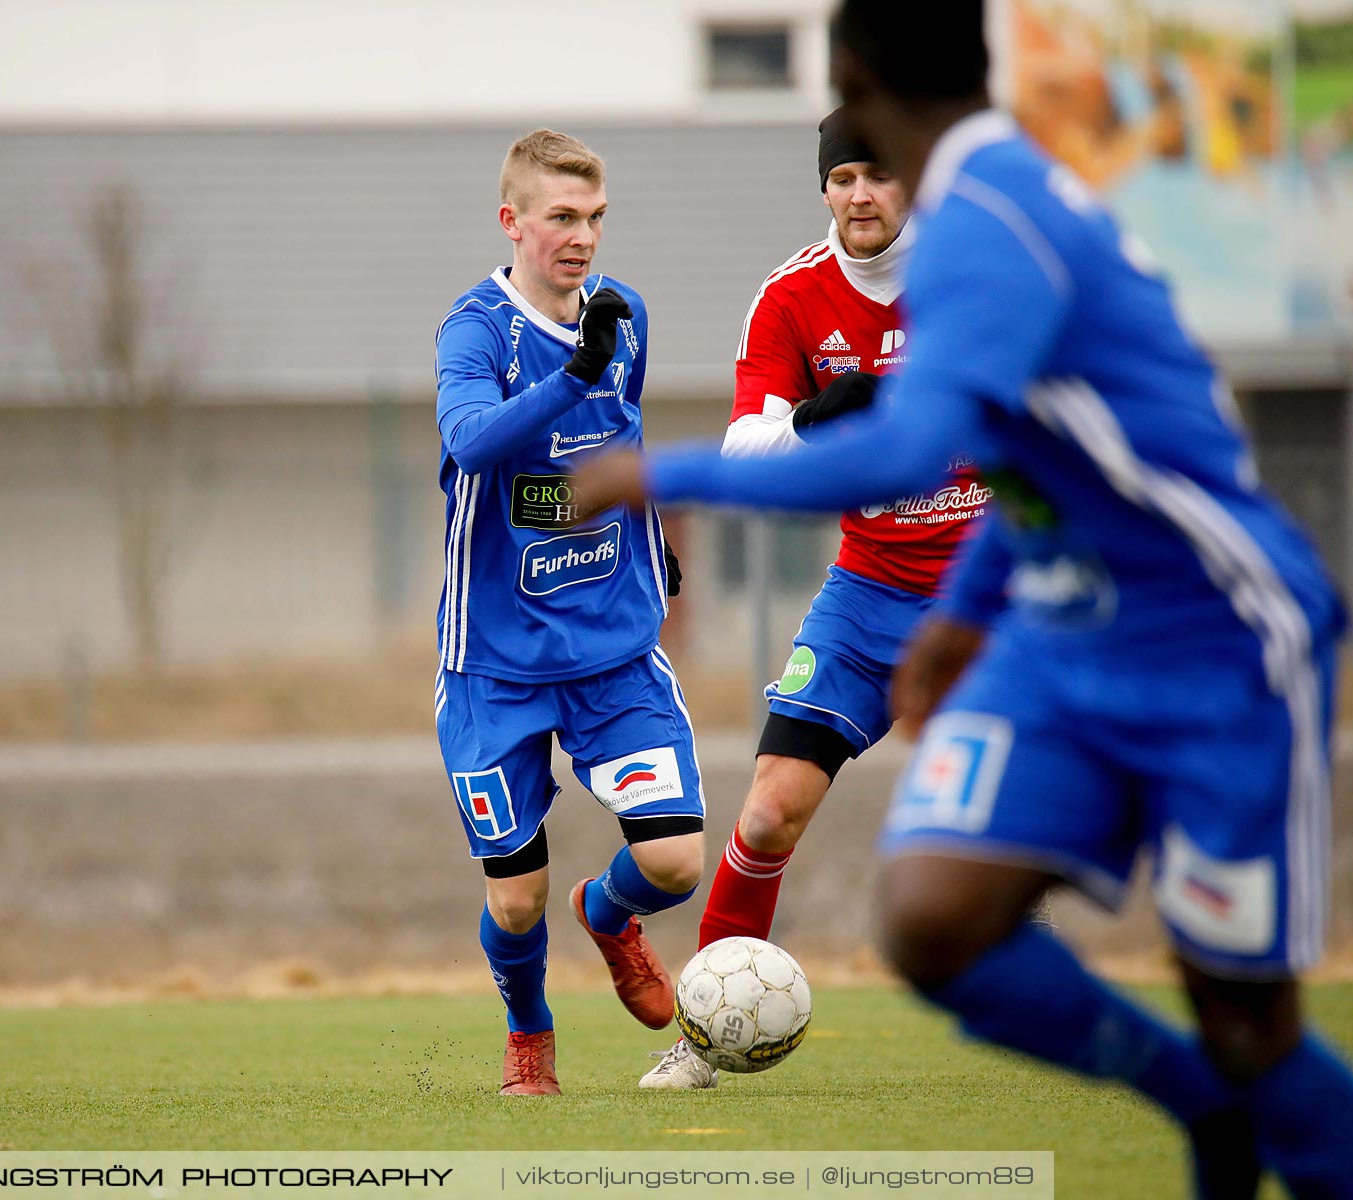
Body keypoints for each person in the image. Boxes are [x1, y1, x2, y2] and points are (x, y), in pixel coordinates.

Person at [571, 2, 1353, 1193]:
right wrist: (965, 608)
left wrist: (654, 473)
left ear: (860, 81)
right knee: (935, 921)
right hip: (1041, 611)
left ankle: (1243, 1105)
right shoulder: (962, 213)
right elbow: (1017, 444)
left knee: (1247, 1013)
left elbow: (918, 449)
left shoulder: (984, 228)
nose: (856, 188)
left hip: (1212, 628)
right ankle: (1204, 1107)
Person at [641, 108, 992, 1091]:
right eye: (843, 178)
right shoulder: (795, 296)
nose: (860, 196)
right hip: (870, 590)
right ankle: (704, 1039)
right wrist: (814, 416)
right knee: (765, 814)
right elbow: (744, 453)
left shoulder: (971, 280)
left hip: (990, 599)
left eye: (878, 175)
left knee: (1025, 826)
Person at [433, 129, 706, 1097]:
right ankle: (529, 1030)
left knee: (674, 860)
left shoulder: (624, 320)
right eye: (561, 218)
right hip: (495, 666)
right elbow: (471, 445)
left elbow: (614, 450)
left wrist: (651, 537)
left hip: (611, 654)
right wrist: (571, 380)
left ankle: (609, 914)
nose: (582, 237)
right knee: (514, 904)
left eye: (594, 218)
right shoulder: (474, 331)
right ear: (513, 222)